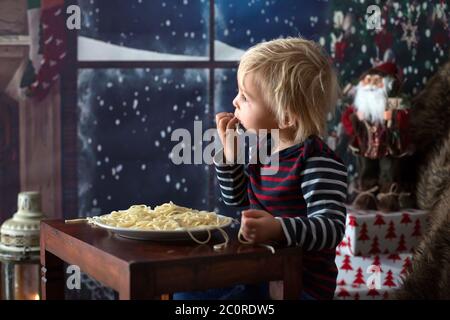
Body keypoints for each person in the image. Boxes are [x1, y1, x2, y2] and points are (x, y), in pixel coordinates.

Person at [174, 37, 348, 300]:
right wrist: (229, 156)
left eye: (246, 97)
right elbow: (237, 199)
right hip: (261, 272)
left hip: (298, 286)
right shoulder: (264, 148)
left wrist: (278, 228)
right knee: (185, 295)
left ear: (286, 117)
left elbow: (330, 228)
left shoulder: (317, 161)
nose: (234, 101)